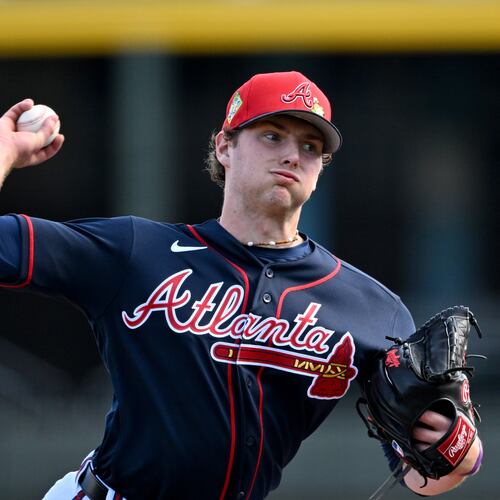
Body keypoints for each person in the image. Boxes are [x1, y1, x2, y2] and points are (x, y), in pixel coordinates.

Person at [0, 71, 481, 499]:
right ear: (224, 147)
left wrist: (460, 450)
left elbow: (423, 478)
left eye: (311, 147)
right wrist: (5, 150)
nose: (292, 155)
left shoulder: (373, 310)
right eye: (272, 135)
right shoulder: (137, 253)